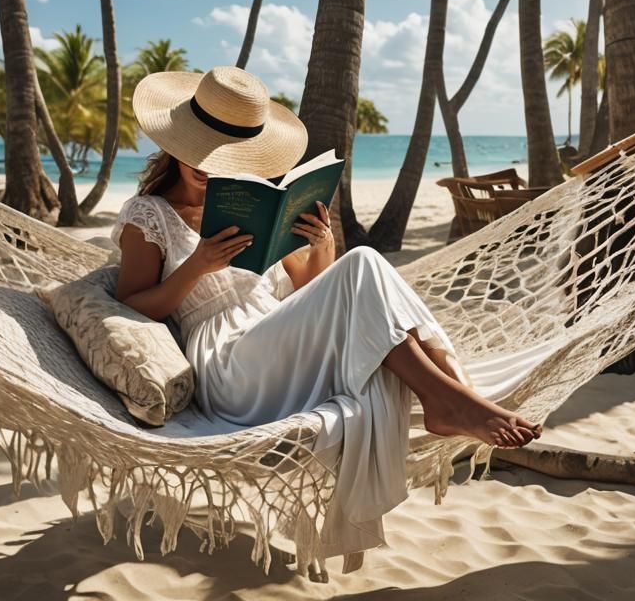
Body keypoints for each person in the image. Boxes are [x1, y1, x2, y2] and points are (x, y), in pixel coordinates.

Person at [112, 66, 542, 556]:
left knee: (357, 266)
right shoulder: (149, 215)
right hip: (229, 366)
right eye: (201, 150)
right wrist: (197, 267)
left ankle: (447, 393)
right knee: (365, 264)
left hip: (277, 341)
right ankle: (449, 392)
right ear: (177, 145)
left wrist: (323, 242)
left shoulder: (247, 205)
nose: (210, 165)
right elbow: (131, 306)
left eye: (226, 154)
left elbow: (317, 292)